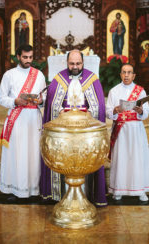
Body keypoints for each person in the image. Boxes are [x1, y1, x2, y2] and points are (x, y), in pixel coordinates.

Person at [40, 49, 107, 207]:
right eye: (72, 63)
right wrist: (60, 111)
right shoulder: (58, 79)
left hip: (85, 134)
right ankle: (60, 194)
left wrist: (88, 113)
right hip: (64, 136)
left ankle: (88, 195)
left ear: (83, 63)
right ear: (67, 63)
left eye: (78, 63)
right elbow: (51, 108)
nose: (75, 66)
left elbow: (99, 108)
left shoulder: (92, 79)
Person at [0, 44, 46, 199]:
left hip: (34, 121)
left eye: (31, 57)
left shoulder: (38, 75)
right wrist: (16, 101)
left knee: (32, 154)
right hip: (17, 121)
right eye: (25, 57)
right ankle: (14, 188)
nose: (28, 60)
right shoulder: (9, 75)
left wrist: (40, 101)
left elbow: (44, 98)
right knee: (16, 154)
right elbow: (1, 98)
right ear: (18, 57)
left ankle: (33, 188)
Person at [106, 63, 149, 201]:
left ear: (134, 75)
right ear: (120, 74)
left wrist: (141, 111)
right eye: (124, 72)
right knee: (121, 158)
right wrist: (114, 110)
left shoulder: (140, 91)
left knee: (137, 158)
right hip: (121, 130)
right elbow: (108, 111)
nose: (126, 75)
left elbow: (146, 112)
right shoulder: (114, 91)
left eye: (129, 72)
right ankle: (118, 189)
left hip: (136, 130)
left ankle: (141, 190)